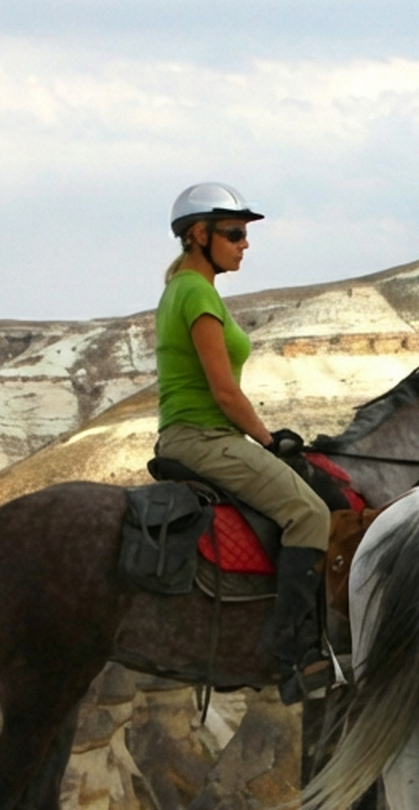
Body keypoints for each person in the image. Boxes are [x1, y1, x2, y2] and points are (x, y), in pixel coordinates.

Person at [153, 182, 332, 699]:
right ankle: (291, 652)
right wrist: (268, 439)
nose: (244, 244)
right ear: (198, 235)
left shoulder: (187, 290)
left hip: (197, 434)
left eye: (245, 234)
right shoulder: (195, 293)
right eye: (234, 233)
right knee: (311, 514)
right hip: (203, 437)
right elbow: (225, 392)